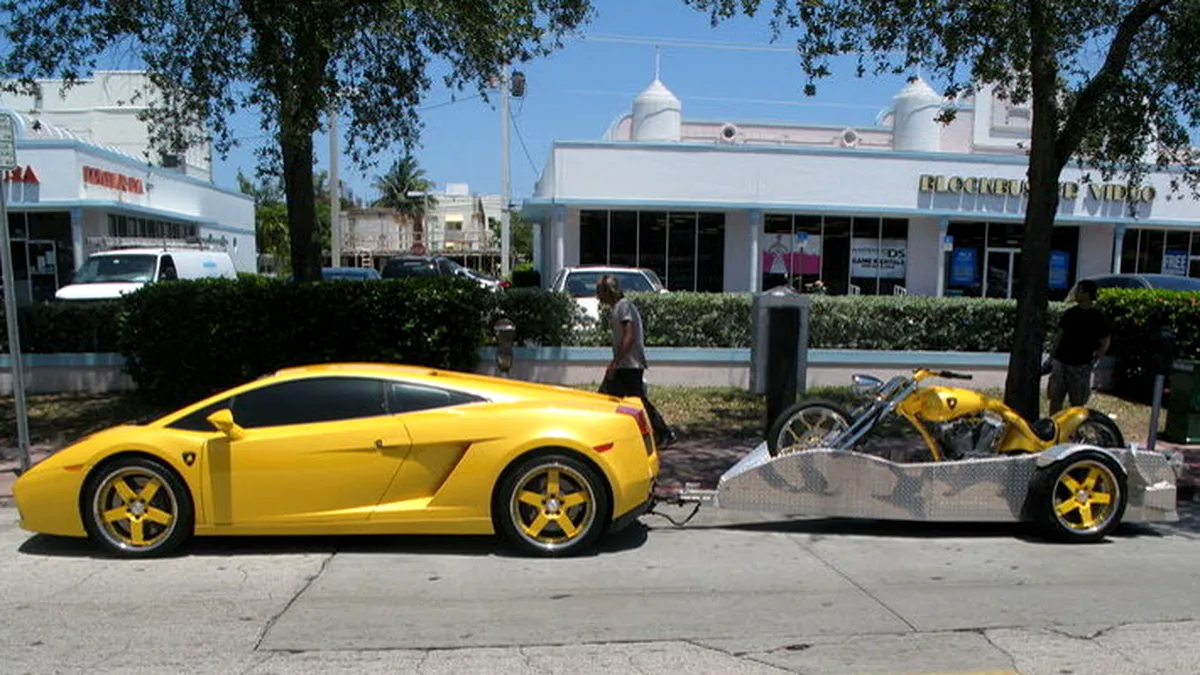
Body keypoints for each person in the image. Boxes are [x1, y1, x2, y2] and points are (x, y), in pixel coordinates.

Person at [595, 274, 676, 447]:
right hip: (626, 364)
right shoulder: (620, 307)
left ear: (609, 291)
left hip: (628, 365)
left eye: (600, 291)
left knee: (612, 399)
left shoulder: (624, 307)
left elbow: (629, 335)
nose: (597, 296)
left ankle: (663, 433)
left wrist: (615, 361)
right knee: (615, 399)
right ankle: (660, 433)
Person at [1046, 279, 1111, 414]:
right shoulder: (1070, 313)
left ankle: (1073, 430)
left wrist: (1096, 358)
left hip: (1081, 365)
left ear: (1087, 294)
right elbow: (1059, 336)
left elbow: (1106, 341)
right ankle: (1053, 427)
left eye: (1078, 291)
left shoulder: (1098, 317)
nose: (1075, 294)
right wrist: (1052, 357)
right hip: (1061, 362)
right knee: (1055, 399)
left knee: (1077, 403)